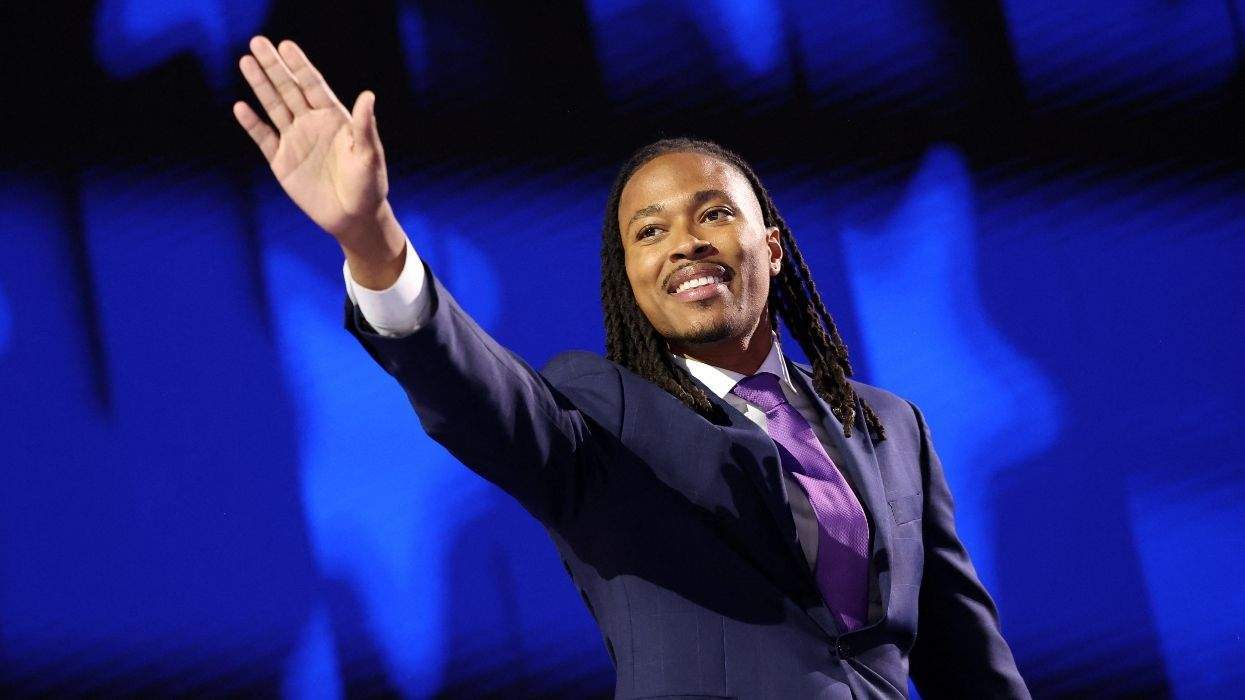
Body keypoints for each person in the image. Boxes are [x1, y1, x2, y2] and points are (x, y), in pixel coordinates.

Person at [234, 35, 1030, 699]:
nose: (684, 242)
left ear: (774, 248)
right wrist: (371, 239)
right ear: (631, 280)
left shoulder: (891, 427)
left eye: (713, 213)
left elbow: (967, 660)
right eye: (648, 233)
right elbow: (478, 393)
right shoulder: (602, 418)